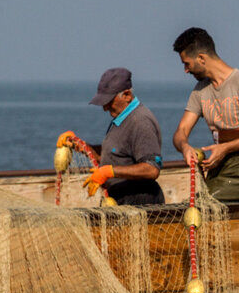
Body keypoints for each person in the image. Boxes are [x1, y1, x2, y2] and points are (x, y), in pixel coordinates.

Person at [170, 27, 239, 202]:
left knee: (200, 204)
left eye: (187, 63)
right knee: (194, 204)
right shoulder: (199, 90)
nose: (186, 70)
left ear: (201, 58)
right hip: (220, 168)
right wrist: (184, 147)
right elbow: (181, 131)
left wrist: (226, 148)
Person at [61, 67, 165, 205]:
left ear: (127, 95)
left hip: (140, 201)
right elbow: (116, 155)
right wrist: (84, 147)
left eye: (109, 101)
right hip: (118, 198)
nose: (105, 108)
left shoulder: (140, 121)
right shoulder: (121, 117)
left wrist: (108, 172)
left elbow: (151, 169)